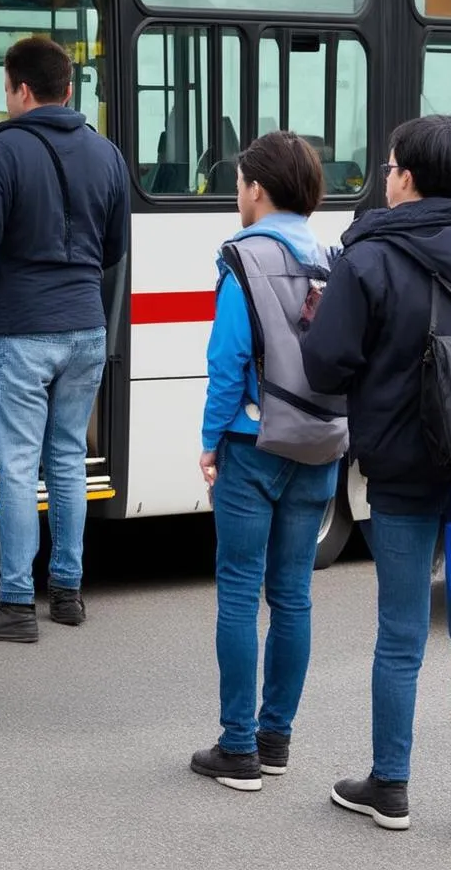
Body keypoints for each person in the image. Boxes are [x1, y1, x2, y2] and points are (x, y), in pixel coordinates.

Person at [301, 115, 451, 836]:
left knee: (401, 634)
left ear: (407, 176)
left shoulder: (367, 259)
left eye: (391, 162)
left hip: (401, 468)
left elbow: (326, 364)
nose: (387, 172)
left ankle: (390, 787)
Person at [0, 35, 129, 643]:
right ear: (68, 90)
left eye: (5, 89)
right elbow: (115, 249)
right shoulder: (107, 154)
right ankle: (68, 593)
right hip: (87, 328)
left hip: (26, 329)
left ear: (21, 90)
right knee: (69, 458)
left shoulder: (3, 150)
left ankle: (17, 603)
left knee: (19, 465)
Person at [188, 132, 342, 791]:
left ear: (257, 189)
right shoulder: (332, 257)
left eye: (241, 182)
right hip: (319, 441)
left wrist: (209, 436)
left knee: (238, 591)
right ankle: (276, 741)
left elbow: (227, 361)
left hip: (253, 444)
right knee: (293, 594)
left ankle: (238, 748)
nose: (238, 193)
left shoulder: (243, 257)